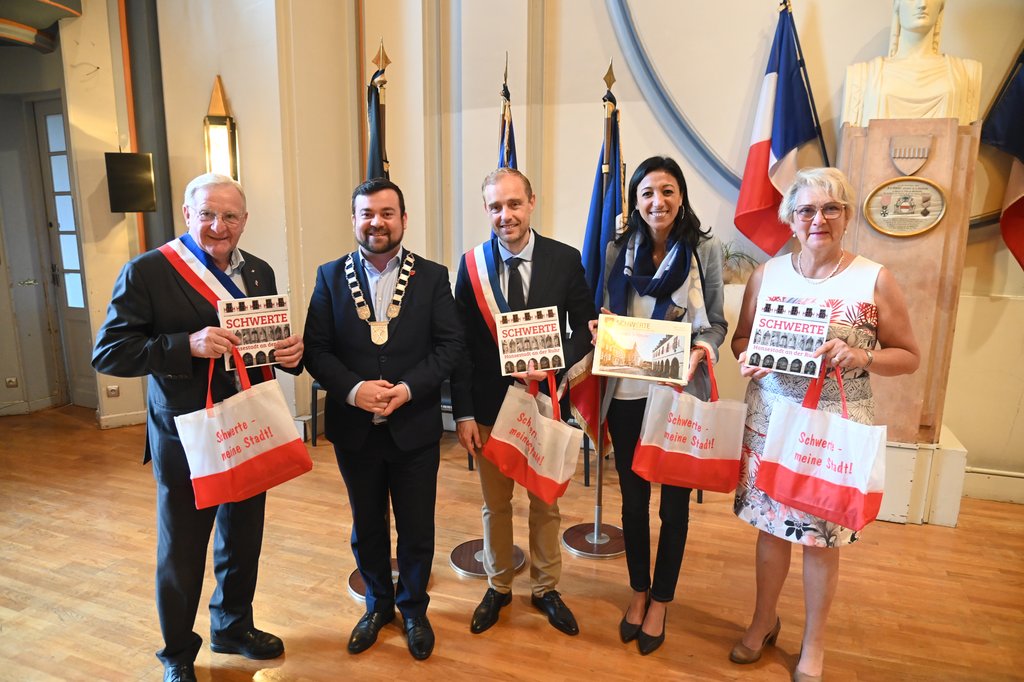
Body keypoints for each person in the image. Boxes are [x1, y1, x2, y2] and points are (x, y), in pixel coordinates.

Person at [91, 173, 305, 682]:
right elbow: (109, 352)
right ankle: (178, 654)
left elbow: (260, 346)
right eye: (207, 214)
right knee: (183, 551)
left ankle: (233, 626)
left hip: (249, 425)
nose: (218, 226)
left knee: (243, 537)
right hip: (186, 435)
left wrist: (291, 355)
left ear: (244, 221)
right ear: (188, 214)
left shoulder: (259, 271)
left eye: (230, 216)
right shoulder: (147, 271)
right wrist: (183, 345)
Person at [730, 167, 920, 681]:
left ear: (847, 216)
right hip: (771, 422)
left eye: (831, 208)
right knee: (771, 531)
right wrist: (748, 356)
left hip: (831, 429)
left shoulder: (874, 278)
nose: (819, 219)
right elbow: (743, 338)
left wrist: (862, 356)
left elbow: (908, 356)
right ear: (790, 219)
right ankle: (763, 620)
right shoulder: (766, 275)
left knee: (819, 539)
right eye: (807, 210)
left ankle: (814, 642)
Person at [303, 178, 463, 661]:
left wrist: (407, 389)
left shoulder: (432, 276)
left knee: (416, 528)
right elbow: (317, 350)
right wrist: (356, 391)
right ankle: (377, 605)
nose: (377, 222)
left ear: (404, 219)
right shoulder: (329, 276)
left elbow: (450, 346)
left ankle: (413, 608)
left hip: (414, 427)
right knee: (367, 525)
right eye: (367, 213)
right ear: (354, 220)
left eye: (387, 213)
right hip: (355, 430)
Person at [588, 156, 728, 655]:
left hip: (677, 396)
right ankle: (638, 591)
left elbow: (716, 323)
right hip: (626, 394)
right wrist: (601, 329)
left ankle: (661, 601)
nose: (657, 201)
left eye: (667, 191)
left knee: (673, 507)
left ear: (681, 196)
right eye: (647, 192)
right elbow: (608, 312)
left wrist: (700, 350)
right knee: (632, 501)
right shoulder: (616, 250)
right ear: (635, 200)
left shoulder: (704, 250)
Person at [451, 167, 596, 637]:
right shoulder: (470, 265)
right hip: (490, 408)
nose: (506, 215)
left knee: (545, 502)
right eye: (496, 206)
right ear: (486, 210)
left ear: (531, 203)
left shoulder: (565, 259)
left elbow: (585, 329)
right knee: (495, 504)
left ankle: (546, 587)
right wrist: (463, 413)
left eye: (514, 204)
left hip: (545, 403)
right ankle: (498, 586)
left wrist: (554, 362)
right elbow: (460, 345)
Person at [842, 0, 981, 126]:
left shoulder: (967, 73)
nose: (922, 4)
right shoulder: (862, 75)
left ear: (941, 5)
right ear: (897, 4)